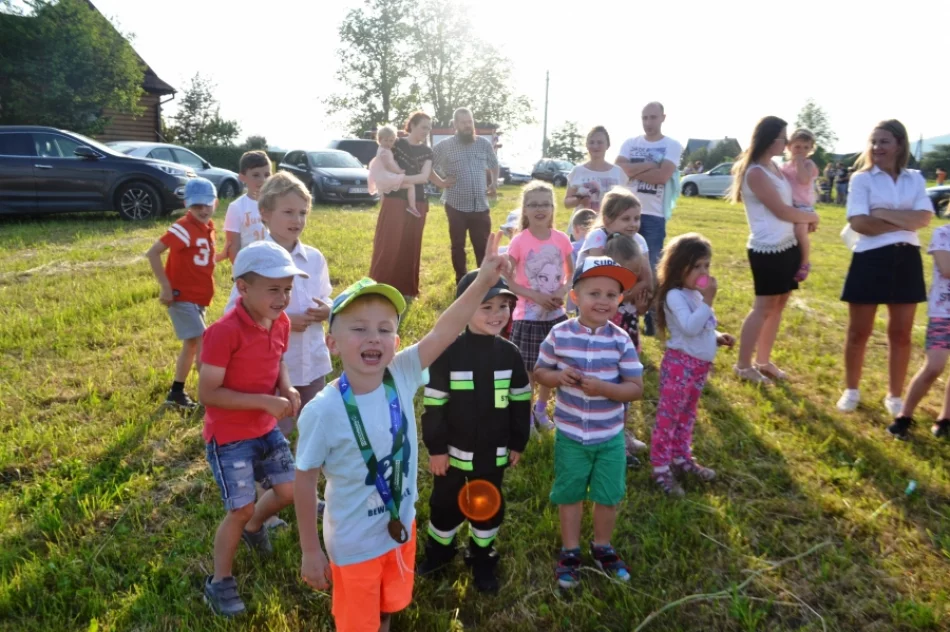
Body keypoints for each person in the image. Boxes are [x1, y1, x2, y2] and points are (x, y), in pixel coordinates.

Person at [294, 235, 512, 632]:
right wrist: (310, 549)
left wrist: (482, 282)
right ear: (333, 344)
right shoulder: (322, 411)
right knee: (358, 621)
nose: (373, 337)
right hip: (354, 543)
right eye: (358, 329)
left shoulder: (402, 374)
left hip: (401, 525)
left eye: (384, 329)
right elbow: (305, 478)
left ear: (396, 342)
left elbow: (444, 331)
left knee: (387, 605)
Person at [198, 240, 309, 617]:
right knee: (240, 509)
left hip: (265, 428)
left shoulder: (279, 321)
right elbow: (208, 393)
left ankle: (256, 528)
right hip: (230, 438)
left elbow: (277, 359)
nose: (283, 298)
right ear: (243, 288)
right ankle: (219, 582)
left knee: (290, 489)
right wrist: (264, 402)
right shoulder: (223, 332)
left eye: (288, 289)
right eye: (274, 289)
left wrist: (286, 386)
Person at [417, 272, 531, 593]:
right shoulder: (448, 354)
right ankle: (439, 554)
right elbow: (434, 405)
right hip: (451, 456)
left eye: (503, 306)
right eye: (486, 307)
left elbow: (521, 403)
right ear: (464, 309)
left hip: (491, 456)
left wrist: (518, 442)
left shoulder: (510, 354)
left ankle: (481, 558)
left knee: (487, 506)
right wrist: (436, 449)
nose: (497, 315)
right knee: (444, 506)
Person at [534, 256, 643, 589]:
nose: (604, 301)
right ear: (575, 296)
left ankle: (602, 547)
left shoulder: (621, 340)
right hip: (569, 434)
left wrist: (604, 389)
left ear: (620, 301)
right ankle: (570, 551)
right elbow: (539, 372)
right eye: (594, 293)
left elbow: (635, 389)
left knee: (608, 496)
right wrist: (557, 376)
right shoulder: (560, 334)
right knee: (569, 494)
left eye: (611, 295)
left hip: (609, 436)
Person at [837, 119, 934, 414]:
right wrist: (903, 217)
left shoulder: (915, 179)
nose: (877, 147)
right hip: (870, 259)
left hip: (907, 259)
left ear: (899, 145)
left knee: (902, 334)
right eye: (874, 141)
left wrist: (883, 214)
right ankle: (851, 390)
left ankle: (894, 396)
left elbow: (924, 218)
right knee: (858, 332)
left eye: (884, 142)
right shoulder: (861, 179)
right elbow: (859, 223)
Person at [728, 116, 818, 385]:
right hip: (768, 249)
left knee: (778, 306)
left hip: (787, 245)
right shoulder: (756, 172)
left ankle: (763, 361)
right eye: (783, 137)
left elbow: (793, 203)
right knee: (763, 307)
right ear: (769, 139)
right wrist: (811, 217)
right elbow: (780, 210)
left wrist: (805, 218)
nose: (787, 142)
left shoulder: (775, 168)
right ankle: (743, 365)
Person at [651, 233, 735, 496]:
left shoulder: (694, 294)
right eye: (697, 266)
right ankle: (660, 467)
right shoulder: (676, 295)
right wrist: (709, 301)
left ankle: (681, 457)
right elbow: (688, 327)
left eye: (707, 265)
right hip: (680, 366)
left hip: (698, 366)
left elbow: (702, 327)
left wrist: (718, 337)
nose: (704, 272)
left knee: (687, 416)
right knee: (669, 417)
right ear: (679, 267)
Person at [505, 182, 574, 431]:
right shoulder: (520, 241)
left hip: (555, 316)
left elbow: (572, 273)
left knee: (551, 366)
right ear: (525, 210)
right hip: (528, 317)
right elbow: (509, 281)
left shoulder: (562, 239)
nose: (539, 209)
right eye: (533, 204)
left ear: (553, 207)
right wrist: (533, 294)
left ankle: (541, 410)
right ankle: (525, 416)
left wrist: (561, 291)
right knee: (531, 371)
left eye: (545, 203)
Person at [145, 177, 218, 410]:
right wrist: (166, 287)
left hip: (199, 298)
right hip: (182, 296)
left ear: (215, 202)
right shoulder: (184, 227)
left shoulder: (208, 228)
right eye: (197, 205)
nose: (203, 209)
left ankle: (176, 392)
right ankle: (209, 397)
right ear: (187, 204)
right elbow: (153, 253)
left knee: (192, 345)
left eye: (207, 204)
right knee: (203, 342)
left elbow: (202, 259)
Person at [369, 111, 455, 304]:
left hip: (418, 201)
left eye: (429, 128)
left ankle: (407, 290)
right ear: (412, 125)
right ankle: (378, 287)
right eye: (424, 127)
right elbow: (380, 164)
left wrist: (440, 183)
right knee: (388, 244)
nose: (427, 131)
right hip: (393, 200)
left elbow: (425, 175)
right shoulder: (395, 143)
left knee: (411, 244)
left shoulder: (427, 151)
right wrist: (395, 182)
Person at [616, 102, 683, 336]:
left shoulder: (672, 145)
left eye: (653, 117)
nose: (648, 122)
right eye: (645, 117)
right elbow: (620, 169)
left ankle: (652, 317)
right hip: (623, 213)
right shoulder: (630, 143)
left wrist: (634, 169)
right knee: (621, 262)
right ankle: (620, 312)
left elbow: (663, 176)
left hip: (653, 216)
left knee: (651, 268)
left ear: (663, 118)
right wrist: (649, 165)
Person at [889, 221, 950, 440]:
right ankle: (904, 416)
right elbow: (946, 269)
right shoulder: (943, 233)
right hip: (944, 313)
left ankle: (945, 419)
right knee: (934, 366)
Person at [433, 107, 501, 283]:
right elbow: (427, 165)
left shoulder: (483, 144)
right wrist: (441, 181)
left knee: (483, 245)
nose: (467, 126)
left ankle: (483, 280)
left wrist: (493, 182)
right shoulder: (444, 146)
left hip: (480, 205)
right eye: (463, 122)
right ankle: (461, 281)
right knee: (458, 245)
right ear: (455, 125)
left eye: (469, 121)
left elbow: (494, 164)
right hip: (456, 204)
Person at [563, 126, 628, 233]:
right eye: (591, 142)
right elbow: (567, 203)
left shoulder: (618, 173)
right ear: (586, 145)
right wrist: (579, 199)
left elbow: (625, 204)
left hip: (609, 229)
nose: (595, 146)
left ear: (608, 145)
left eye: (600, 142)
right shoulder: (577, 171)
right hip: (581, 229)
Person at [780, 128, 820, 282]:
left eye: (806, 147)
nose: (801, 151)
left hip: (804, 206)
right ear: (789, 147)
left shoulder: (808, 164)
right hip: (789, 205)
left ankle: (804, 262)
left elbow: (804, 180)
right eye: (797, 147)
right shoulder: (784, 167)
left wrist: (799, 163)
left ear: (811, 149)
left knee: (800, 232)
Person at [369, 125, 432, 218]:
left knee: (382, 191)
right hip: (387, 176)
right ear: (379, 139)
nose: (388, 143)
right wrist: (399, 171)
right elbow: (390, 165)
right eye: (385, 140)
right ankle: (412, 207)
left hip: (383, 177)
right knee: (410, 186)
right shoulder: (385, 152)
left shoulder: (383, 149)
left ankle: (383, 210)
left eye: (391, 141)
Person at [220, 150, 271, 264]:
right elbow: (233, 248)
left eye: (267, 175)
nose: (262, 180)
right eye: (256, 175)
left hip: (273, 263)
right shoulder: (236, 207)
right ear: (242, 177)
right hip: (249, 267)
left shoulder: (276, 204)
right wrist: (242, 273)